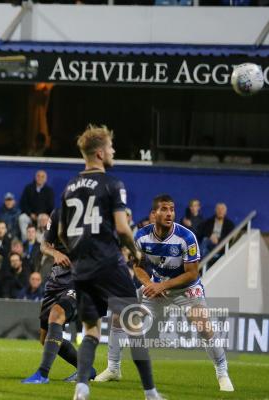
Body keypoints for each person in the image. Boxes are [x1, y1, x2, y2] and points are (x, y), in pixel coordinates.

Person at [63, 125, 162, 400]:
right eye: (111, 147)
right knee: (134, 325)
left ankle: (81, 388)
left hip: (81, 268)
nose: (113, 151)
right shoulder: (112, 184)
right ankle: (150, 393)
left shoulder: (70, 187)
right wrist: (135, 251)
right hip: (108, 263)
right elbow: (121, 227)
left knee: (91, 330)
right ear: (99, 152)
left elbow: (61, 232)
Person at [128, 194, 232, 392]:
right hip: (158, 285)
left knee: (203, 325)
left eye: (172, 209)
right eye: (164, 209)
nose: (169, 213)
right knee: (123, 317)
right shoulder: (140, 236)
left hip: (186, 288)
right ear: (154, 213)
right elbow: (138, 266)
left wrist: (162, 286)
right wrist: (150, 284)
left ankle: (222, 371)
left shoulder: (186, 236)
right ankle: (113, 368)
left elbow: (192, 273)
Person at [22, 209, 94, 385]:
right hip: (56, 279)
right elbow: (44, 245)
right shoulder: (57, 214)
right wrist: (56, 253)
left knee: (57, 313)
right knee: (45, 338)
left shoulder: (95, 216)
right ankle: (86, 369)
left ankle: (42, 374)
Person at [18, 170, 54, 241]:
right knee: (22, 218)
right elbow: (23, 203)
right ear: (35, 177)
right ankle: (26, 240)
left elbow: (51, 206)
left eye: (42, 176)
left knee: (45, 219)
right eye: (38, 176)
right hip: (30, 215)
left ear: (46, 179)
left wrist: (42, 215)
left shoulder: (49, 191)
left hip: (43, 216)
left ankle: (43, 242)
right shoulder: (28, 188)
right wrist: (30, 214)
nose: (40, 178)